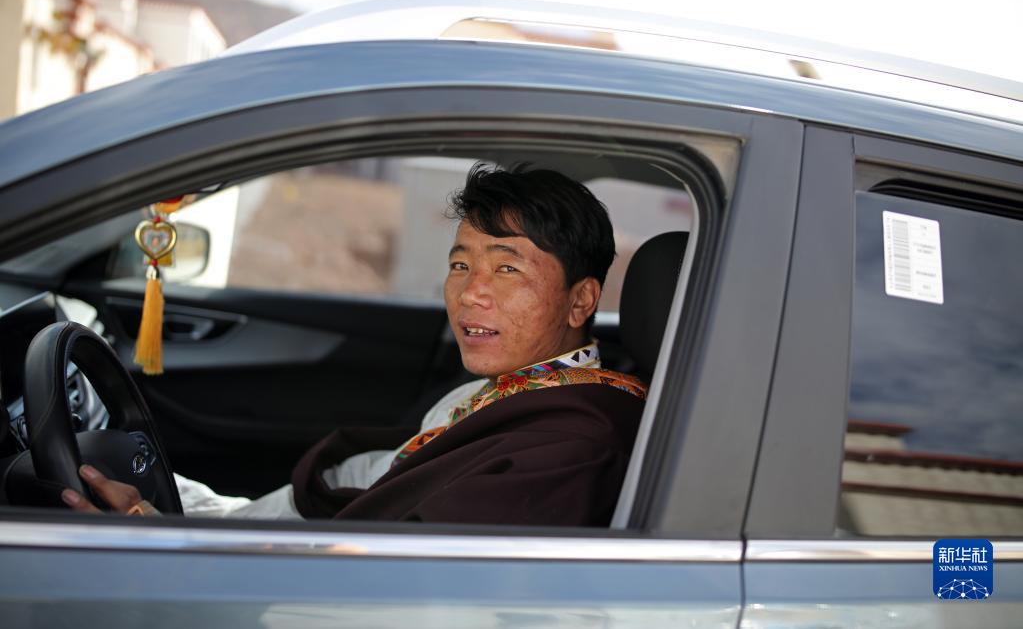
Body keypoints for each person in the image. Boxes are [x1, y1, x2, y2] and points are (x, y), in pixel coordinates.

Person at [61, 163, 648, 526]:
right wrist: (181, 517)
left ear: (580, 300)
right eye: (460, 264)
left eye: (507, 269)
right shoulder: (509, 393)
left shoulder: (574, 447)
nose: (470, 293)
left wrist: (155, 541)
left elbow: (385, 592)